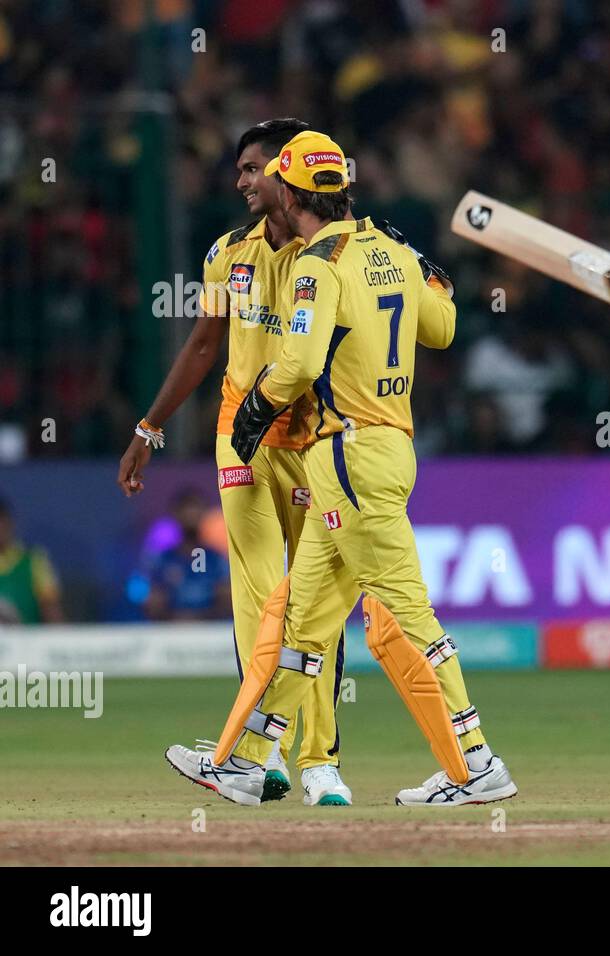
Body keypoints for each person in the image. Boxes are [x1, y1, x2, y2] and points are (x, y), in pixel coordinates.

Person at [164, 130, 516, 807]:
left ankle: (476, 760)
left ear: (293, 193)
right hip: (383, 449)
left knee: (410, 615)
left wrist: (255, 408)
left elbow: (295, 364)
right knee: (305, 620)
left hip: (346, 453)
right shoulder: (391, 251)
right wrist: (430, 273)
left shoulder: (315, 263)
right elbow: (441, 328)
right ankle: (250, 759)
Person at [118, 119, 350, 806]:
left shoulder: (337, 253)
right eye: (240, 170)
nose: (241, 182)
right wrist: (148, 427)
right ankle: (262, 755)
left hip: (314, 443)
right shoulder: (228, 254)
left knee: (314, 606)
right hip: (240, 439)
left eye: (252, 169)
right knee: (255, 603)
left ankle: (321, 760)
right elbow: (201, 346)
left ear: (287, 171)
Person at [143, 489, 231, 621]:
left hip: (211, 632)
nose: (191, 515)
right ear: (175, 514)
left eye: (196, 509)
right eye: (186, 510)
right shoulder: (163, 561)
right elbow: (152, 604)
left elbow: (228, 601)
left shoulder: (217, 560)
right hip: (171, 632)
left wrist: (199, 620)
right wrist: (178, 620)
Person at [0, 497, 64, 625]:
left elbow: (51, 609)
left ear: (10, 524)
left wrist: (61, 641)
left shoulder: (34, 561)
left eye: (1, 522)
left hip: (25, 641)